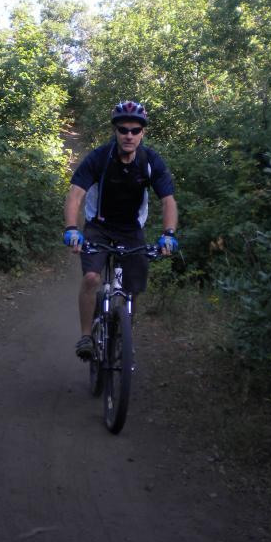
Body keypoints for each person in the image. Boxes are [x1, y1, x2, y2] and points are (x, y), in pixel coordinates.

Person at [63, 100, 178, 359]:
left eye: (135, 130)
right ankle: (85, 337)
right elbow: (75, 195)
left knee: (132, 288)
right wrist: (72, 229)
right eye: (123, 129)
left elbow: (168, 201)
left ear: (142, 133)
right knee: (92, 278)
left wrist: (168, 234)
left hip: (131, 229)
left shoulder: (150, 161)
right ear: (115, 131)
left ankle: (123, 333)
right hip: (99, 226)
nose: (129, 135)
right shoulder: (99, 158)